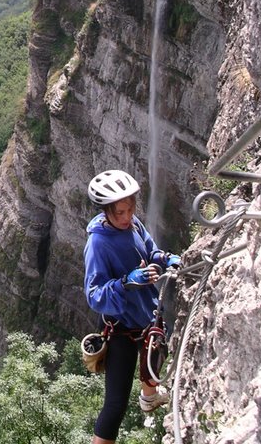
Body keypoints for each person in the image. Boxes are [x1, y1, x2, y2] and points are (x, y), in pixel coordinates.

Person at [83, 169, 180, 443]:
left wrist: (163, 257)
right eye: (119, 213)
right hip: (121, 328)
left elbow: (148, 249)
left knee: (154, 356)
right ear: (105, 212)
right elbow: (94, 295)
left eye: (129, 209)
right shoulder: (98, 244)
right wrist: (125, 282)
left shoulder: (134, 224)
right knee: (115, 406)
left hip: (148, 313)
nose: (126, 217)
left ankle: (149, 398)